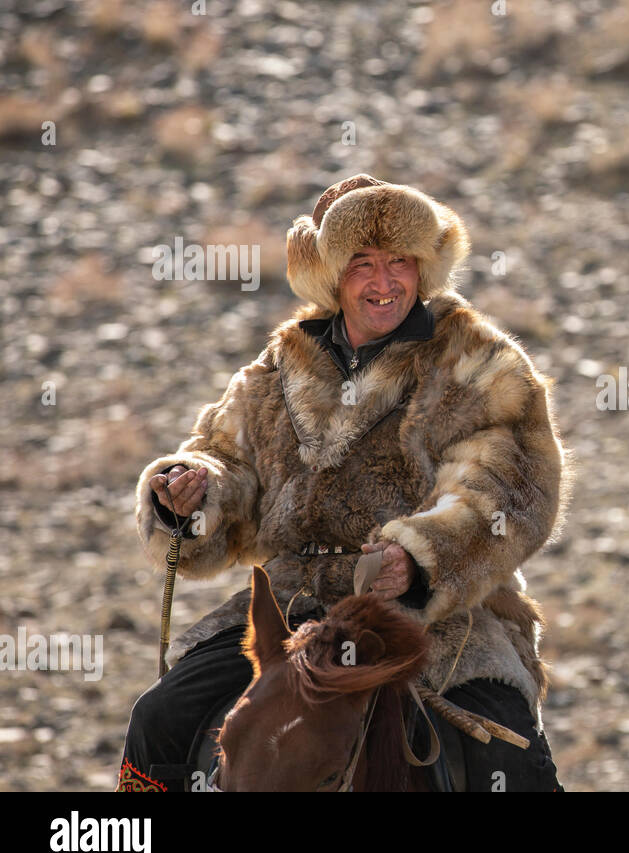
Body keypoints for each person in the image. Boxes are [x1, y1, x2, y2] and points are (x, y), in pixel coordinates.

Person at [116, 174, 567, 791]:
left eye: (399, 262)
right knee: (160, 716)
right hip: (291, 603)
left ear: (424, 267)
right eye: (362, 264)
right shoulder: (282, 362)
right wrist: (191, 491)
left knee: (508, 755)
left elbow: (505, 491)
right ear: (332, 274)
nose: (384, 283)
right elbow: (228, 461)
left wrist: (416, 558)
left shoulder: (478, 360)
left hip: (435, 616)